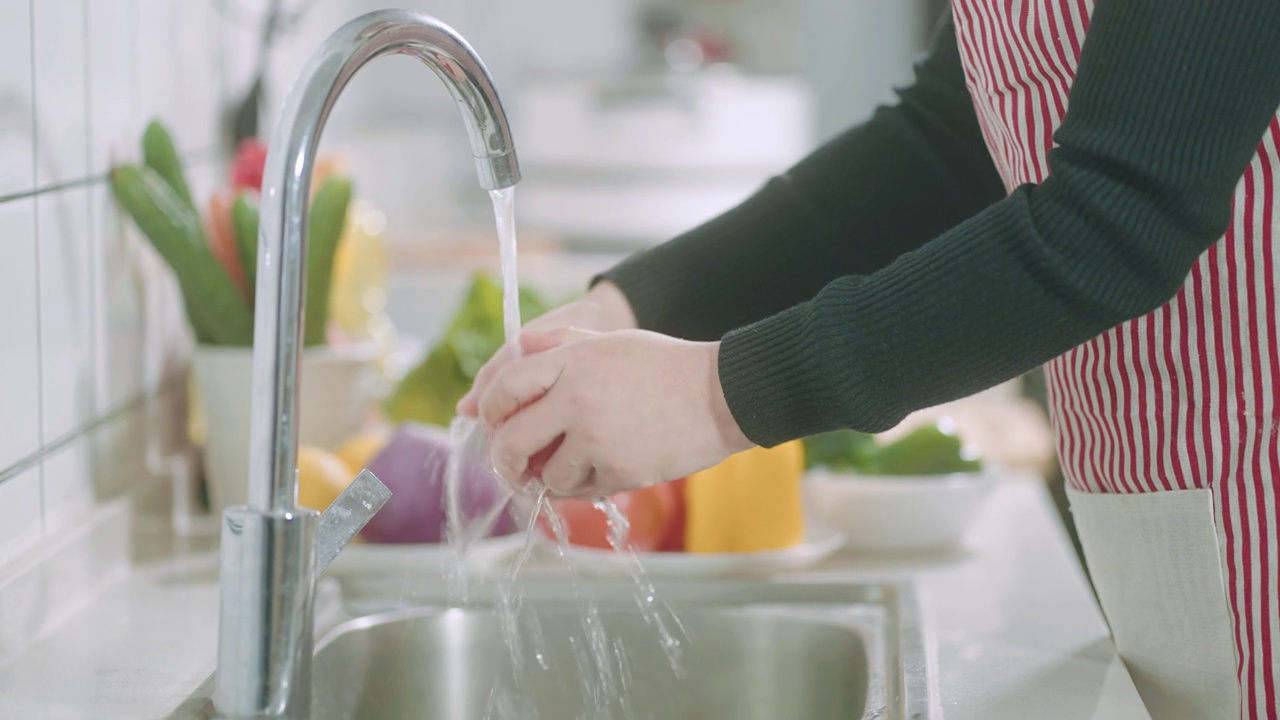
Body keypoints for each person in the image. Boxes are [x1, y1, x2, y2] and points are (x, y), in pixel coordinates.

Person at [457, 1, 1280, 717]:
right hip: (1177, 497)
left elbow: (1117, 218)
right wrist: (633, 306)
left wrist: (717, 395)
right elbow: (949, 143)